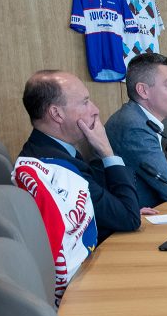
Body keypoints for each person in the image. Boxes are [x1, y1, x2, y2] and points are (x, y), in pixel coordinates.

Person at [17, 69, 142, 244]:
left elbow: (112, 207)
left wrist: (122, 207)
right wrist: (107, 151)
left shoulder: (50, 149)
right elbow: (129, 219)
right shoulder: (58, 168)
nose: (95, 110)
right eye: (85, 103)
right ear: (57, 114)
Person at [105, 53, 167, 208]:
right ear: (143, 91)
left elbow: (165, 180)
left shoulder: (137, 118)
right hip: (138, 223)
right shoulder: (134, 127)